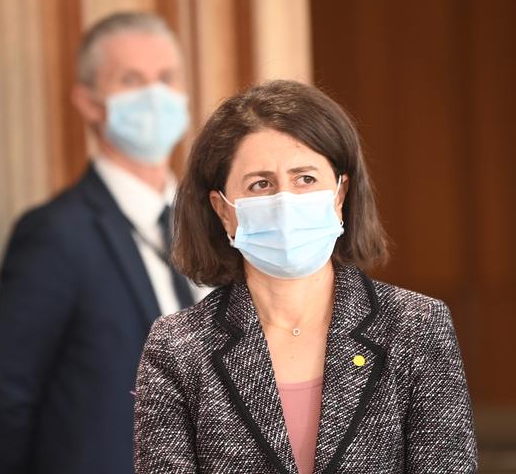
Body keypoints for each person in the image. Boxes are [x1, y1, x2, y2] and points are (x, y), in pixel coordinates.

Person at [133, 80, 478, 473]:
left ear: (339, 194)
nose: (286, 201)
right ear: (223, 209)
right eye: (261, 184)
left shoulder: (416, 327)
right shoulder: (178, 348)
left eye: (306, 179)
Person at [0, 11, 204, 474]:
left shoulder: (217, 225)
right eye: (131, 79)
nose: (154, 94)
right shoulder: (56, 236)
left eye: (166, 78)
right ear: (89, 102)